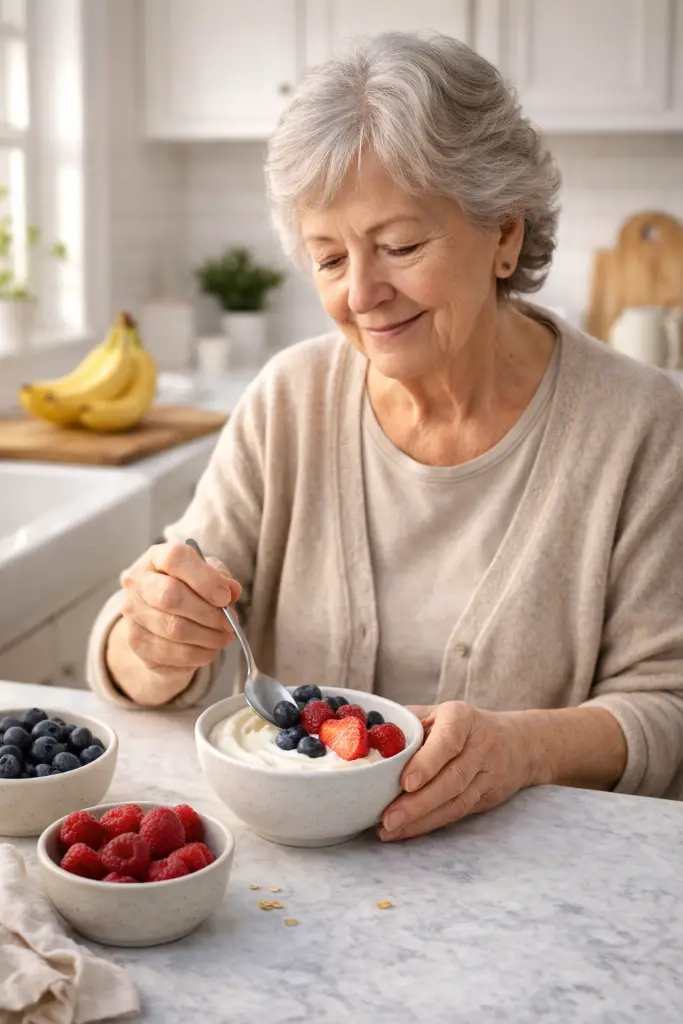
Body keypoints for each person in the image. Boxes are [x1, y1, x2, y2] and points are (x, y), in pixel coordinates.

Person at [87, 32, 683, 840]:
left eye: (400, 246)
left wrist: (521, 749)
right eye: (330, 259)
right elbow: (150, 638)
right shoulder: (289, 400)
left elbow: (666, 706)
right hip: (299, 894)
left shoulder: (640, 426)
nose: (362, 294)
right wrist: (150, 644)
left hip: (539, 892)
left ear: (504, 234)